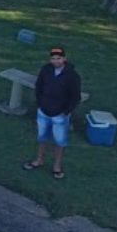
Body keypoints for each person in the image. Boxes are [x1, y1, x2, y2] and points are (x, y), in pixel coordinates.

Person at [24, 46, 82, 179]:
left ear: (64, 59)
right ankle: (39, 159)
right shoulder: (46, 69)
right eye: (53, 58)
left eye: (59, 58)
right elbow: (39, 86)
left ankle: (57, 166)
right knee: (42, 137)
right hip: (43, 111)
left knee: (60, 141)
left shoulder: (72, 75)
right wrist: (40, 103)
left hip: (60, 114)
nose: (56, 61)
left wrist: (66, 112)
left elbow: (75, 97)